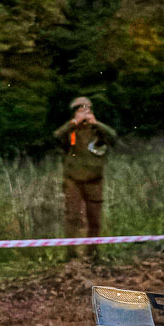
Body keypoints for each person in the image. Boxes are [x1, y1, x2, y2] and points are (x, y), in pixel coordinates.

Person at [53, 96, 118, 251]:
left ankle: (92, 253)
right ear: (74, 112)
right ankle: (71, 254)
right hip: (73, 179)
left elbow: (113, 138)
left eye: (86, 109)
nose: (84, 113)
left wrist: (96, 123)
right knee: (72, 217)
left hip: (94, 179)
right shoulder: (70, 130)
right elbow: (56, 137)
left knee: (94, 219)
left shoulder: (97, 130)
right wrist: (73, 123)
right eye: (80, 109)